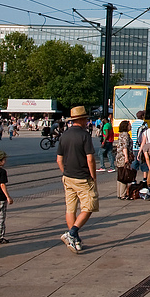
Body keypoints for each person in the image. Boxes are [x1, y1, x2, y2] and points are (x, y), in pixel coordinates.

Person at [56, 106, 98, 253]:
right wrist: (93, 175)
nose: (87, 121)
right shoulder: (84, 135)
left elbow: (59, 159)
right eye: (86, 119)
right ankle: (72, 233)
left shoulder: (64, 135)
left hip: (68, 176)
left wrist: (65, 171)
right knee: (89, 206)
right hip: (82, 177)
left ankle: (75, 239)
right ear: (81, 119)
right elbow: (90, 158)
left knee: (71, 208)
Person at [114, 120, 134, 200]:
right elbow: (125, 147)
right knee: (125, 175)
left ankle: (119, 193)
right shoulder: (126, 135)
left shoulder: (121, 134)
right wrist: (126, 158)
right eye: (129, 125)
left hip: (119, 157)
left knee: (120, 174)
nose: (130, 127)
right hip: (123, 157)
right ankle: (123, 194)